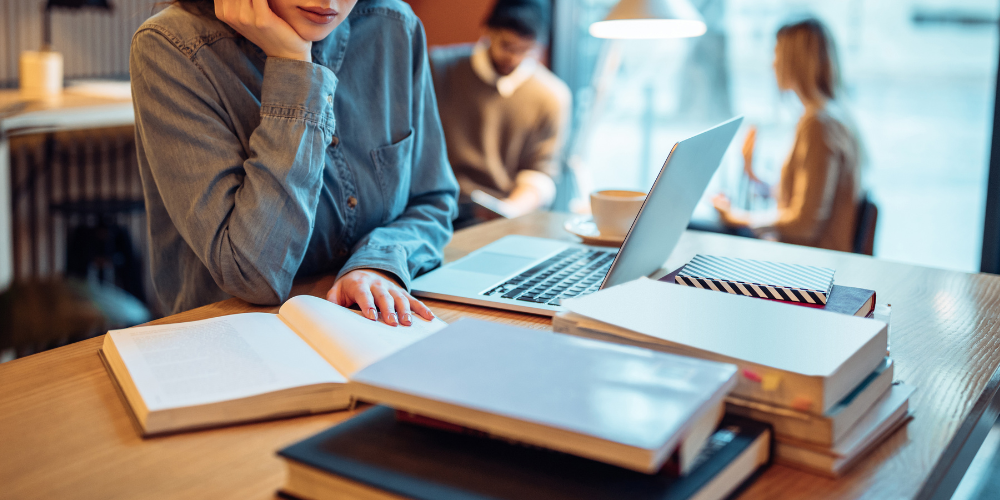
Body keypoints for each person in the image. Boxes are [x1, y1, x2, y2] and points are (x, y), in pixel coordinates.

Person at [130, 0, 458, 326]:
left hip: (368, 326)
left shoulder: (394, 25)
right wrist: (294, 67)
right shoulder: (172, 44)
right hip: (232, 341)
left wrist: (376, 264)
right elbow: (252, 275)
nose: (329, 2)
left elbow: (433, 200)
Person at [713, 18, 861, 252]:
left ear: (796, 61)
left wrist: (736, 216)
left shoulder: (818, 125)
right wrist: (754, 175)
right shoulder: (832, 117)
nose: (773, 64)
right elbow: (808, 197)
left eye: (777, 54)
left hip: (810, 264)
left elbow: (804, 224)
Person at [430, 0, 571, 228]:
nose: (514, 58)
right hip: (435, 209)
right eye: (507, 45)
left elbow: (540, 173)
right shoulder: (438, 69)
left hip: (502, 215)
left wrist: (509, 211)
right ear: (487, 32)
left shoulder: (551, 95)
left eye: (526, 50)